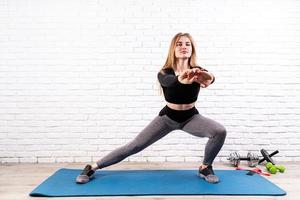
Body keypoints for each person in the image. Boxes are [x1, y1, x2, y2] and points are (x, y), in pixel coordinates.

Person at [76, 32, 227, 184]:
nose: (184, 47)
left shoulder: (197, 70)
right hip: (167, 118)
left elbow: (210, 78)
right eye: (179, 44)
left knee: (219, 131)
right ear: (173, 49)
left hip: (191, 118)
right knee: (134, 146)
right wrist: (181, 78)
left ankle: (205, 167)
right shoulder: (164, 72)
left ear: (192, 49)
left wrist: (208, 77)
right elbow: (169, 81)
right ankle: (92, 167)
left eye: (187, 44)